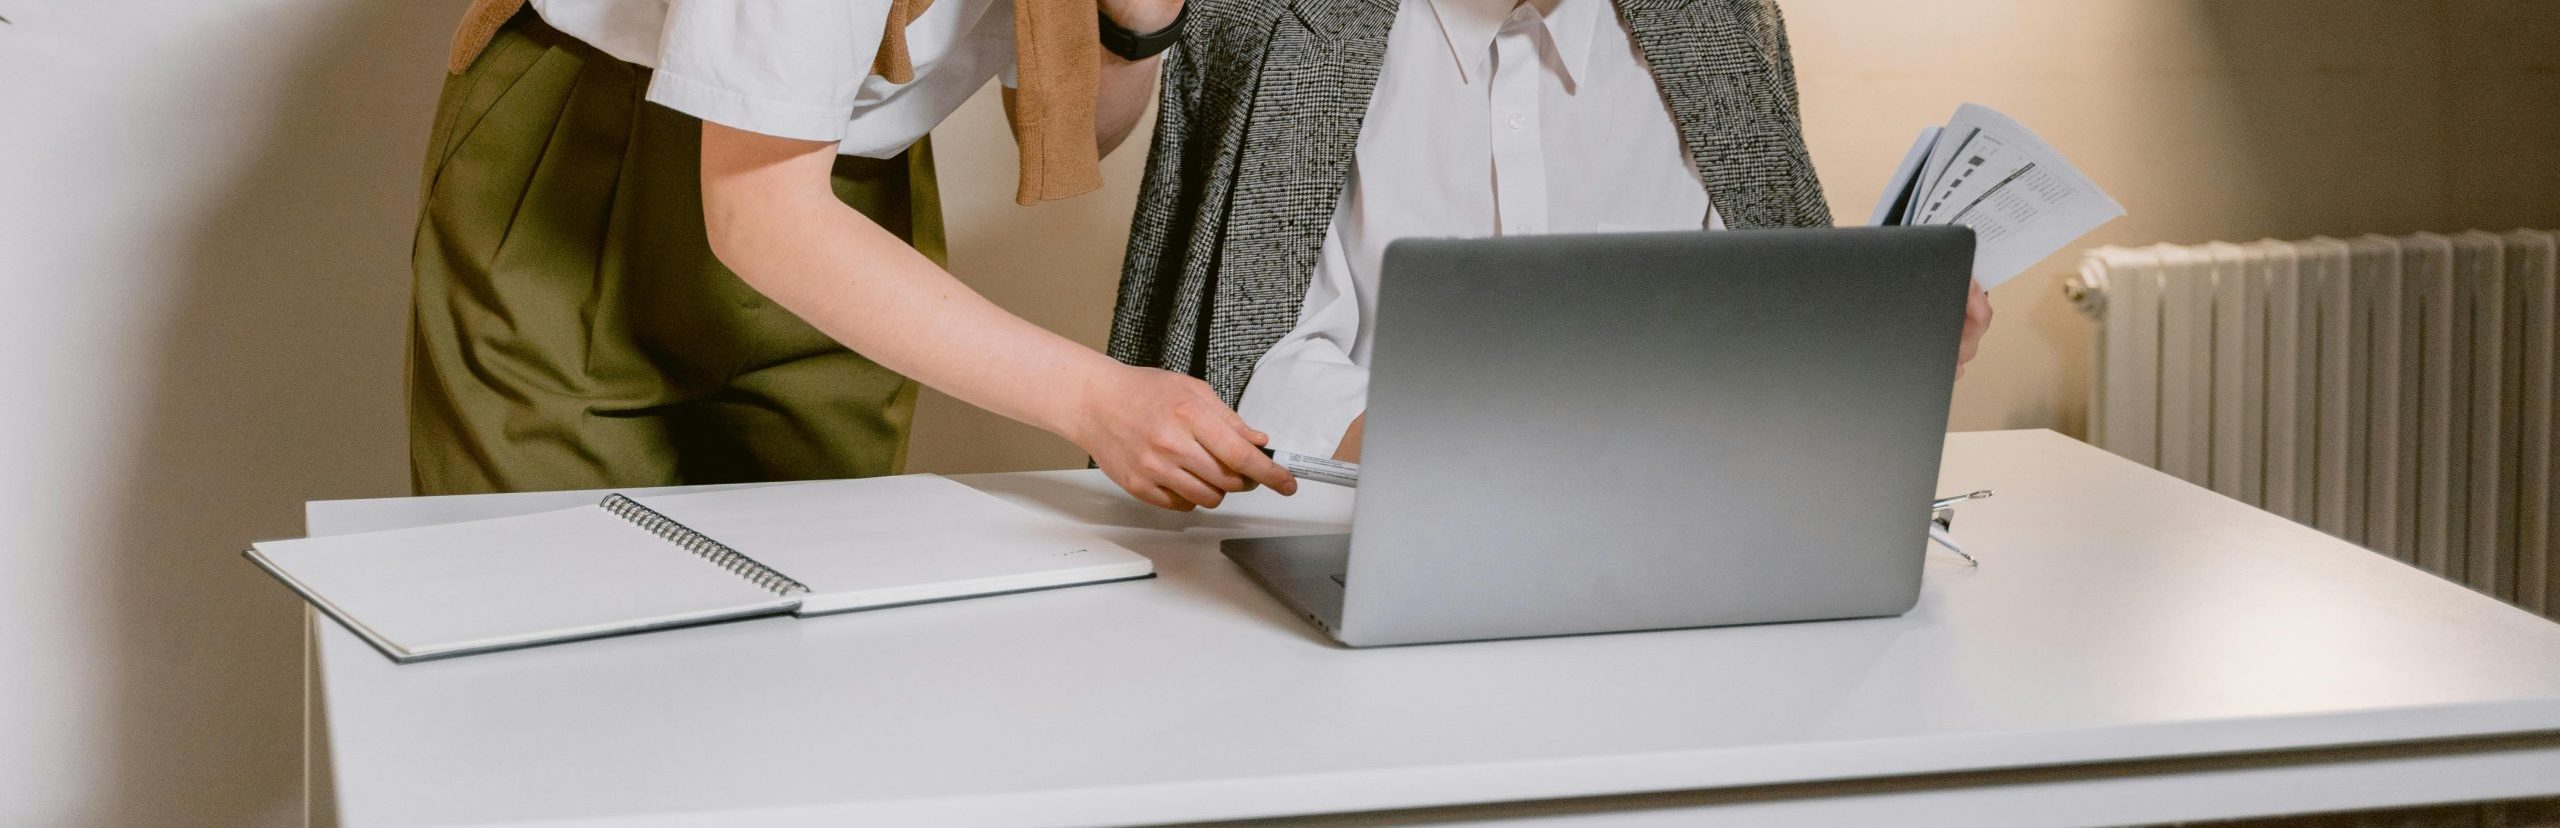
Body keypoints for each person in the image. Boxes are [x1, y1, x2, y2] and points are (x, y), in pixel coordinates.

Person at [411, 0, 1294, 509]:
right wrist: (1095, 398)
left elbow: (1081, 129)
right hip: (594, 169)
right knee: (555, 661)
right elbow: (756, 212)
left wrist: (1138, 15)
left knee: (809, 656)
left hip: (852, 185)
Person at [1107, 0, 1993, 462]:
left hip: (1692, 541)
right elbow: (1247, 358)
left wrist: (1877, 342)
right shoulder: (1275, 27)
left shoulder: (1724, 28)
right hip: (1354, 534)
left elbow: (1756, 312)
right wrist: (1471, 459)